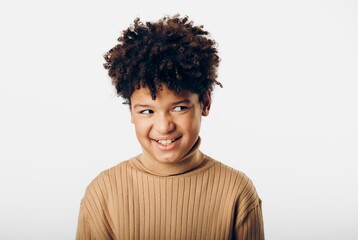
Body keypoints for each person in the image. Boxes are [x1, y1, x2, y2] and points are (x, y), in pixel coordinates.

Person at [76, 14, 264, 240]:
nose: (164, 127)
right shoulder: (103, 193)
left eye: (179, 108)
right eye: (147, 111)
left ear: (205, 103)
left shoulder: (237, 192)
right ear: (131, 113)